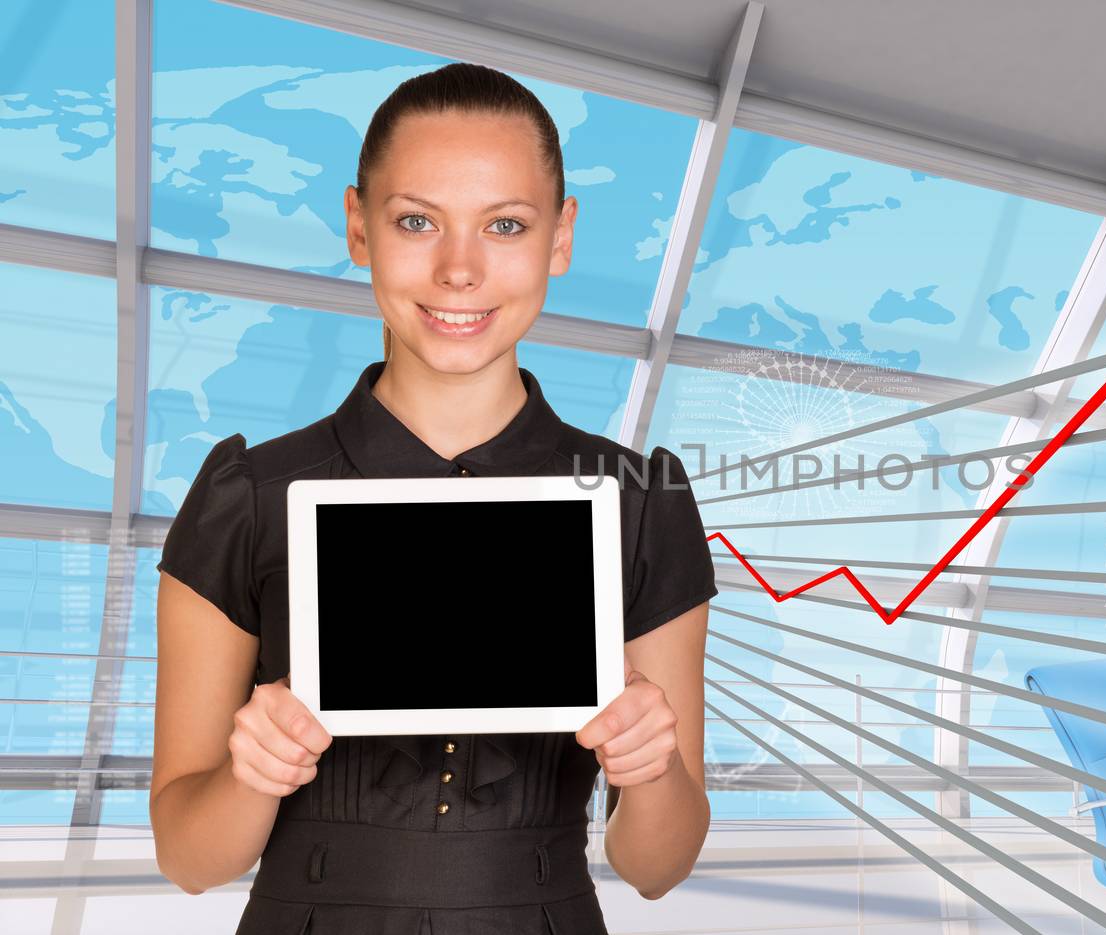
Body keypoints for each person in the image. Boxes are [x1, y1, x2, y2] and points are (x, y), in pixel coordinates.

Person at [149, 62, 718, 934]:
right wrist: (252, 772)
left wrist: (653, 766)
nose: (460, 269)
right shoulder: (246, 496)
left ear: (560, 238)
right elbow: (190, 860)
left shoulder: (641, 501)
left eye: (505, 225)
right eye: (417, 220)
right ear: (358, 227)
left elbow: (658, 866)